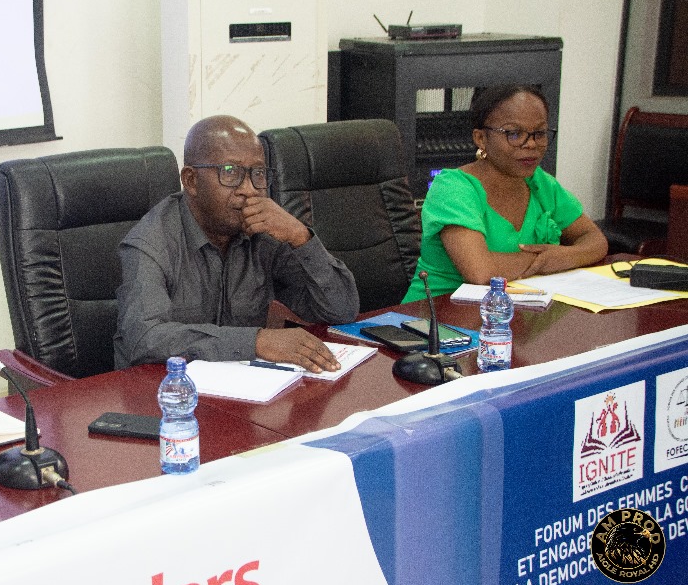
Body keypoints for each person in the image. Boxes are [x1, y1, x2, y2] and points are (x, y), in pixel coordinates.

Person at [113, 115, 360, 373]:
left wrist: (301, 237)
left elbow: (340, 310)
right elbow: (144, 338)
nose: (250, 190)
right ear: (191, 180)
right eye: (230, 172)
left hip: (242, 387)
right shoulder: (150, 242)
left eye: (258, 174)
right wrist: (257, 341)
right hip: (161, 393)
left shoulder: (263, 233)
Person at [402, 84, 608, 302]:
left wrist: (564, 256)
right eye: (515, 134)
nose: (531, 144)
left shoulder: (540, 183)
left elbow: (596, 240)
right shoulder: (453, 188)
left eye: (539, 133)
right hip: (439, 316)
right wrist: (545, 260)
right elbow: (480, 272)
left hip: (513, 311)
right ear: (481, 139)